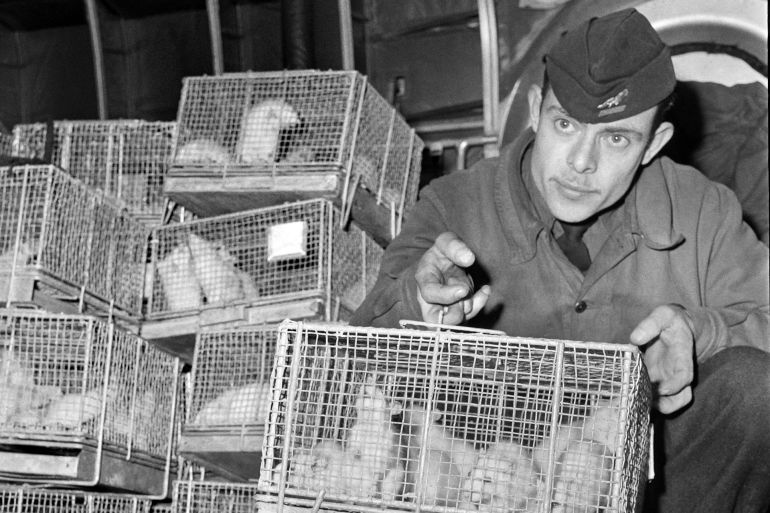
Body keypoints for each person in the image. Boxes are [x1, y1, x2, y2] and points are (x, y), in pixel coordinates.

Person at [350, 8, 770, 513]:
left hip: (652, 484)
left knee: (754, 388)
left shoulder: (703, 210)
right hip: (488, 480)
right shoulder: (451, 206)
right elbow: (350, 361)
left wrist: (699, 332)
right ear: (534, 109)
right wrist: (416, 303)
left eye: (616, 138)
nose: (580, 162)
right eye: (566, 123)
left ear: (653, 145)